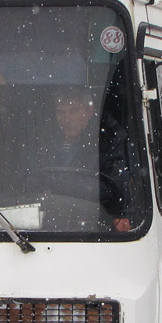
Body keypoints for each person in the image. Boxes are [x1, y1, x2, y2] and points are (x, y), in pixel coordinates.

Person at [38, 88, 132, 231]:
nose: (66, 119)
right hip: (44, 227)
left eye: (73, 111)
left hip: (92, 227)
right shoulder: (44, 141)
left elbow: (115, 187)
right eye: (60, 112)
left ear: (89, 111)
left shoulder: (108, 143)